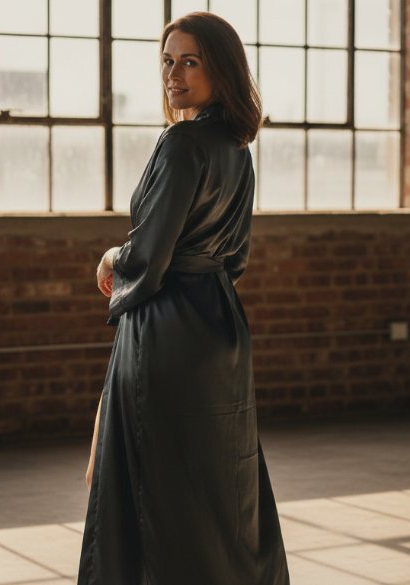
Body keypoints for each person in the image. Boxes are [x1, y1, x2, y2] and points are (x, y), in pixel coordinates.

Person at [77, 11, 290, 585]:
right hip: (219, 327)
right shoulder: (236, 149)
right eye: (168, 61)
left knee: (153, 488)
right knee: (220, 486)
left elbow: (148, 258)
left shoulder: (181, 144)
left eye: (190, 61)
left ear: (221, 70)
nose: (174, 74)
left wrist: (111, 258)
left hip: (165, 330)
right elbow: (235, 259)